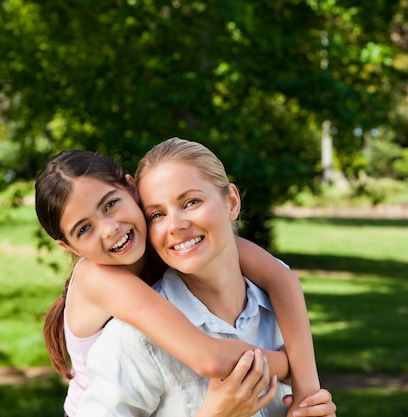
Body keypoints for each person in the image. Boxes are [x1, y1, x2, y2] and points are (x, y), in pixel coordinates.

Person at [76, 138, 336, 417]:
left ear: (232, 202)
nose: (176, 225)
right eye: (157, 214)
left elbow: (283, 278)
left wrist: (311, 404)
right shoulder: (135, 339)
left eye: (190, 202)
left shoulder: (281, 314)